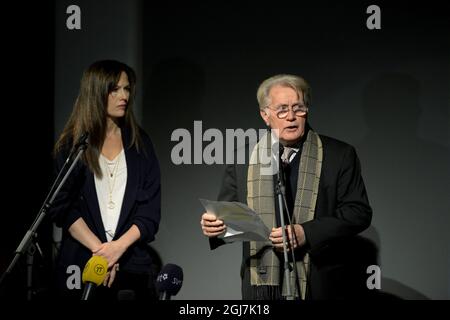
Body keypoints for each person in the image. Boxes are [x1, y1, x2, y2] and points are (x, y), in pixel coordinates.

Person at [200, 74, 372, 300]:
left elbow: (358, 212)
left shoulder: (339, 155)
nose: (291, 116)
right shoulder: (244, 158)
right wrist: (217, 226)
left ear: (307, 110)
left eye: (298, 108)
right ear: (265, 115)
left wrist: (306, 233)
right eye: (281, 109)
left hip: (319, 283)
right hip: (261, 287)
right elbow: (231, 215)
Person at [51, 60, 161, 300]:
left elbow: (150, 214)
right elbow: (63, 208)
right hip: (80, 264)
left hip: (131, 265)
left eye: (127, 89)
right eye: (115, 89)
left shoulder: (140, 144)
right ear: (96, 92)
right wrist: (100, 252)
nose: (124, 96)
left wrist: (117, 248)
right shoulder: (72, 144)